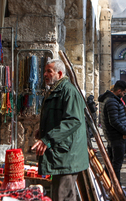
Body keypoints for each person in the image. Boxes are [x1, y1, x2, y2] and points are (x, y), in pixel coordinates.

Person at [31, 59, 89, 201]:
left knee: (62, 196)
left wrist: (48, 139)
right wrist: (43, 131)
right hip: (60, 154)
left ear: (60, 73)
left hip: (67, 154)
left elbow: (73, 120)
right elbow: (58, 117)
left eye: (49, 71)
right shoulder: (55, 90)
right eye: (45, 71)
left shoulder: (68, 91)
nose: (45, 74)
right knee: (61, 193)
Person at [98, 80, 126, 199]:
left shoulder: (112, 100)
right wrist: (125, 131)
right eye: (124, 93)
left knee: (111, 164)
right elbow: (114, 121)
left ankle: (107, 185)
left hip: (115, 137)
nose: (124, 95)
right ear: (119, 91)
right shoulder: (111, 101)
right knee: (116, 165)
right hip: (116, 137)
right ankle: (117, 190)